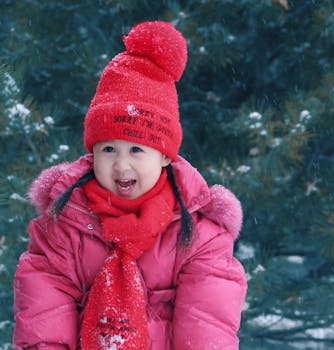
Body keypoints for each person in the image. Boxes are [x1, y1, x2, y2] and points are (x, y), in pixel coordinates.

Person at [13, 20, 247, 350]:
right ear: (92, 153)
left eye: (136, 150)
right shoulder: (66, 221)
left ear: (165, 156)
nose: (121, 164)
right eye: (108, 149)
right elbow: (44, 307)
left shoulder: (198, 232)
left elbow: (206, 323)